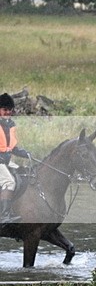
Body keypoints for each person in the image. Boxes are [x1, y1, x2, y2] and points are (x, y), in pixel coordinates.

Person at [0, 93, 31, 224]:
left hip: (5, 160)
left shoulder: (10, 125)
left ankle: (15, 208)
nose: (7, 112)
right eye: (4, 109)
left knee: (23, 173)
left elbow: (11, 147)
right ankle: (3, 216)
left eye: (9, 110)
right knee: (9, 182)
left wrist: (25, 153)